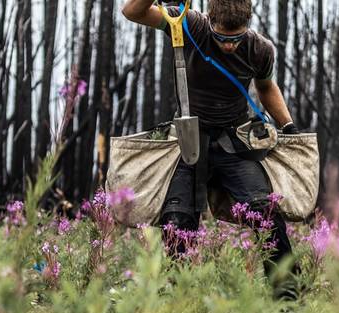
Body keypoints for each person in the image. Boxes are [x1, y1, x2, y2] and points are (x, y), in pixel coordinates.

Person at [122, 0, 300, 266]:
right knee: (178, 223)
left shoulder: (260, 49)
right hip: (188, 141)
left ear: (247, 26)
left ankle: (287, 299)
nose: (229, 45)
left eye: (237, 38)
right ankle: (179, 301)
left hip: (234, 142)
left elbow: (265, 87)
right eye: (221, 38)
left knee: (266, 214)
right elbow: (132, 12)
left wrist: (288, 126)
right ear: (210, 20)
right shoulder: (189, 25)